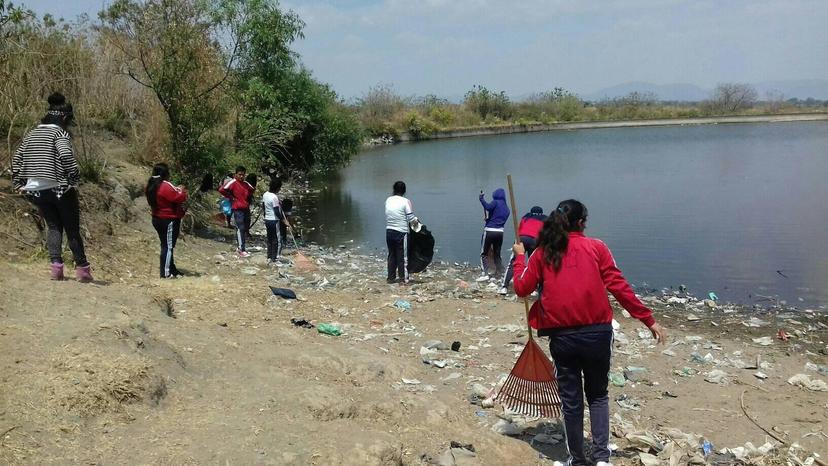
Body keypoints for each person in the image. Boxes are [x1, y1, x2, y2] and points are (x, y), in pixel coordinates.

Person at [512, 199, 667, 466]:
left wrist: (518, 258)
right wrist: (648, 319)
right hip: (597, 334)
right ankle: (601, 458)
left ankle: (578, 460)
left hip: (563, 338)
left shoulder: (542, 252)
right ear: (582, 222)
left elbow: (521, 287)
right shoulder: (596, 247)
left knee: (571, 402)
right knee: (597, 395)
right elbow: (619, 286)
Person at [11, 92, 93, 282]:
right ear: (64, 118)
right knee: (72, 229)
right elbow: (65, 155)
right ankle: (82, 270)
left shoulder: (31, 134)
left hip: (38, 190)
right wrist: (74, 177)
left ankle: (56, 269)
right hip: (60, 188)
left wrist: (18, 183)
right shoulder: (59, 133)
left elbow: (17, 159)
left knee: (54, 227)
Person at [145, 163, 187, 278]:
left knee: (166, 245)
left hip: (157, 218)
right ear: (166, 173)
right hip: (168, 219)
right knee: (168, 247)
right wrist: (182, 190)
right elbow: (179, 197)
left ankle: (171, 269)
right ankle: (166, 273)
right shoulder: (165, 185)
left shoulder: (151, 185)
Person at [499, 205, 546, 294]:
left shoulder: (525, 218)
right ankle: (534, 289)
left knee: (513, 262)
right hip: (535, 240)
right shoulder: (544, 220)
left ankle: (504, 287)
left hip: (521, 239)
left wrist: (516, 246)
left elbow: (519, 231)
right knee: (532, 264)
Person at [385, 181, 418, 284]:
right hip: (401, 232)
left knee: (392, 254)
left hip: (389, 231)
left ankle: (390, 278)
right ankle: (403, 279)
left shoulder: (388, 200)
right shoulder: (405, 201)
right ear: (404, 190)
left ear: (394, 189)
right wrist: (417, 222)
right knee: (402, 257)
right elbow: (410, 217)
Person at [218, 166, 255, 257]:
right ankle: (241, 249)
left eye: (243, 175)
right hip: (237, 208)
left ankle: (242, 246)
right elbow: (222, 189)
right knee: (240, 227)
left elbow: (252, 189)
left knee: (246, 227)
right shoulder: (233, 182)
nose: (241, 176)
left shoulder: (246, 184)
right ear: (236, 175)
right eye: (240, 175)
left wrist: (247, 198)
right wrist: (231, 197)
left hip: (245, 207)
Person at [478, 188, 509, 280]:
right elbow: (498, 218)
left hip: (489, 231)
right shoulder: (506, 208)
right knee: (497, 253)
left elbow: (487, 207)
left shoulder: (495, 202)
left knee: (483, 253)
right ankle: (501, 272)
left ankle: (485, 273)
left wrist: (481, 198)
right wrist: (489, 218)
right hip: (500, 233)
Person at [262, 177, 287, 263]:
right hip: (274, 220)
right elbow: (276, 211)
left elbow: (263, 207)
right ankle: (275, 257)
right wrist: (283, 220)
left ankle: (269, 255)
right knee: (277, 239)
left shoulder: (265, 194)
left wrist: (265, 216)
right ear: (277, 188)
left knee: (269, 238)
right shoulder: (274, 197)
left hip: (267, 219)